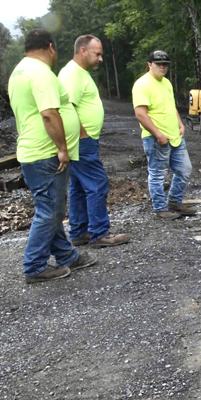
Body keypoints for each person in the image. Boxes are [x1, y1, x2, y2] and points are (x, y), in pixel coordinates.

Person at [8, 29, 96, 283]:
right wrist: (62, 149)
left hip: (33, 152)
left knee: (53, 208)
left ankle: (67, 256)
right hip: (45, 154)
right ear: (51, 48)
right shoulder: (41, 74)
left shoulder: (19, 71)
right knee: (49, 211)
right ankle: (34, 266)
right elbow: (49, 114)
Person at [58, 35, 130, 247]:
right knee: (98, 182)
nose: (100, 59)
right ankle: (99, 233)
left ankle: (80, 231)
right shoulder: (72, 74)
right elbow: (67, 108)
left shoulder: (81, 73)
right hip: (81, 140)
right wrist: (82, 133)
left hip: (83, 140)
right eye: (97, 54)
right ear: (83, 51)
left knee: (79, 186)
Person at [132, 50, 195, 219]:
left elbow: (170, 106)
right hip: (156, 139)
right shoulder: (142, 84)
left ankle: (174, 202)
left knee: (185, 169)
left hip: (174, 137)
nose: (162, 67)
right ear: (149, 64)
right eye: (158, 64)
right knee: (157, 174)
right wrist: (157, 134)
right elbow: (140, 114)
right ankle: (160, 209)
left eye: (165, 64)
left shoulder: (166, 83)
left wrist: (180, 123)